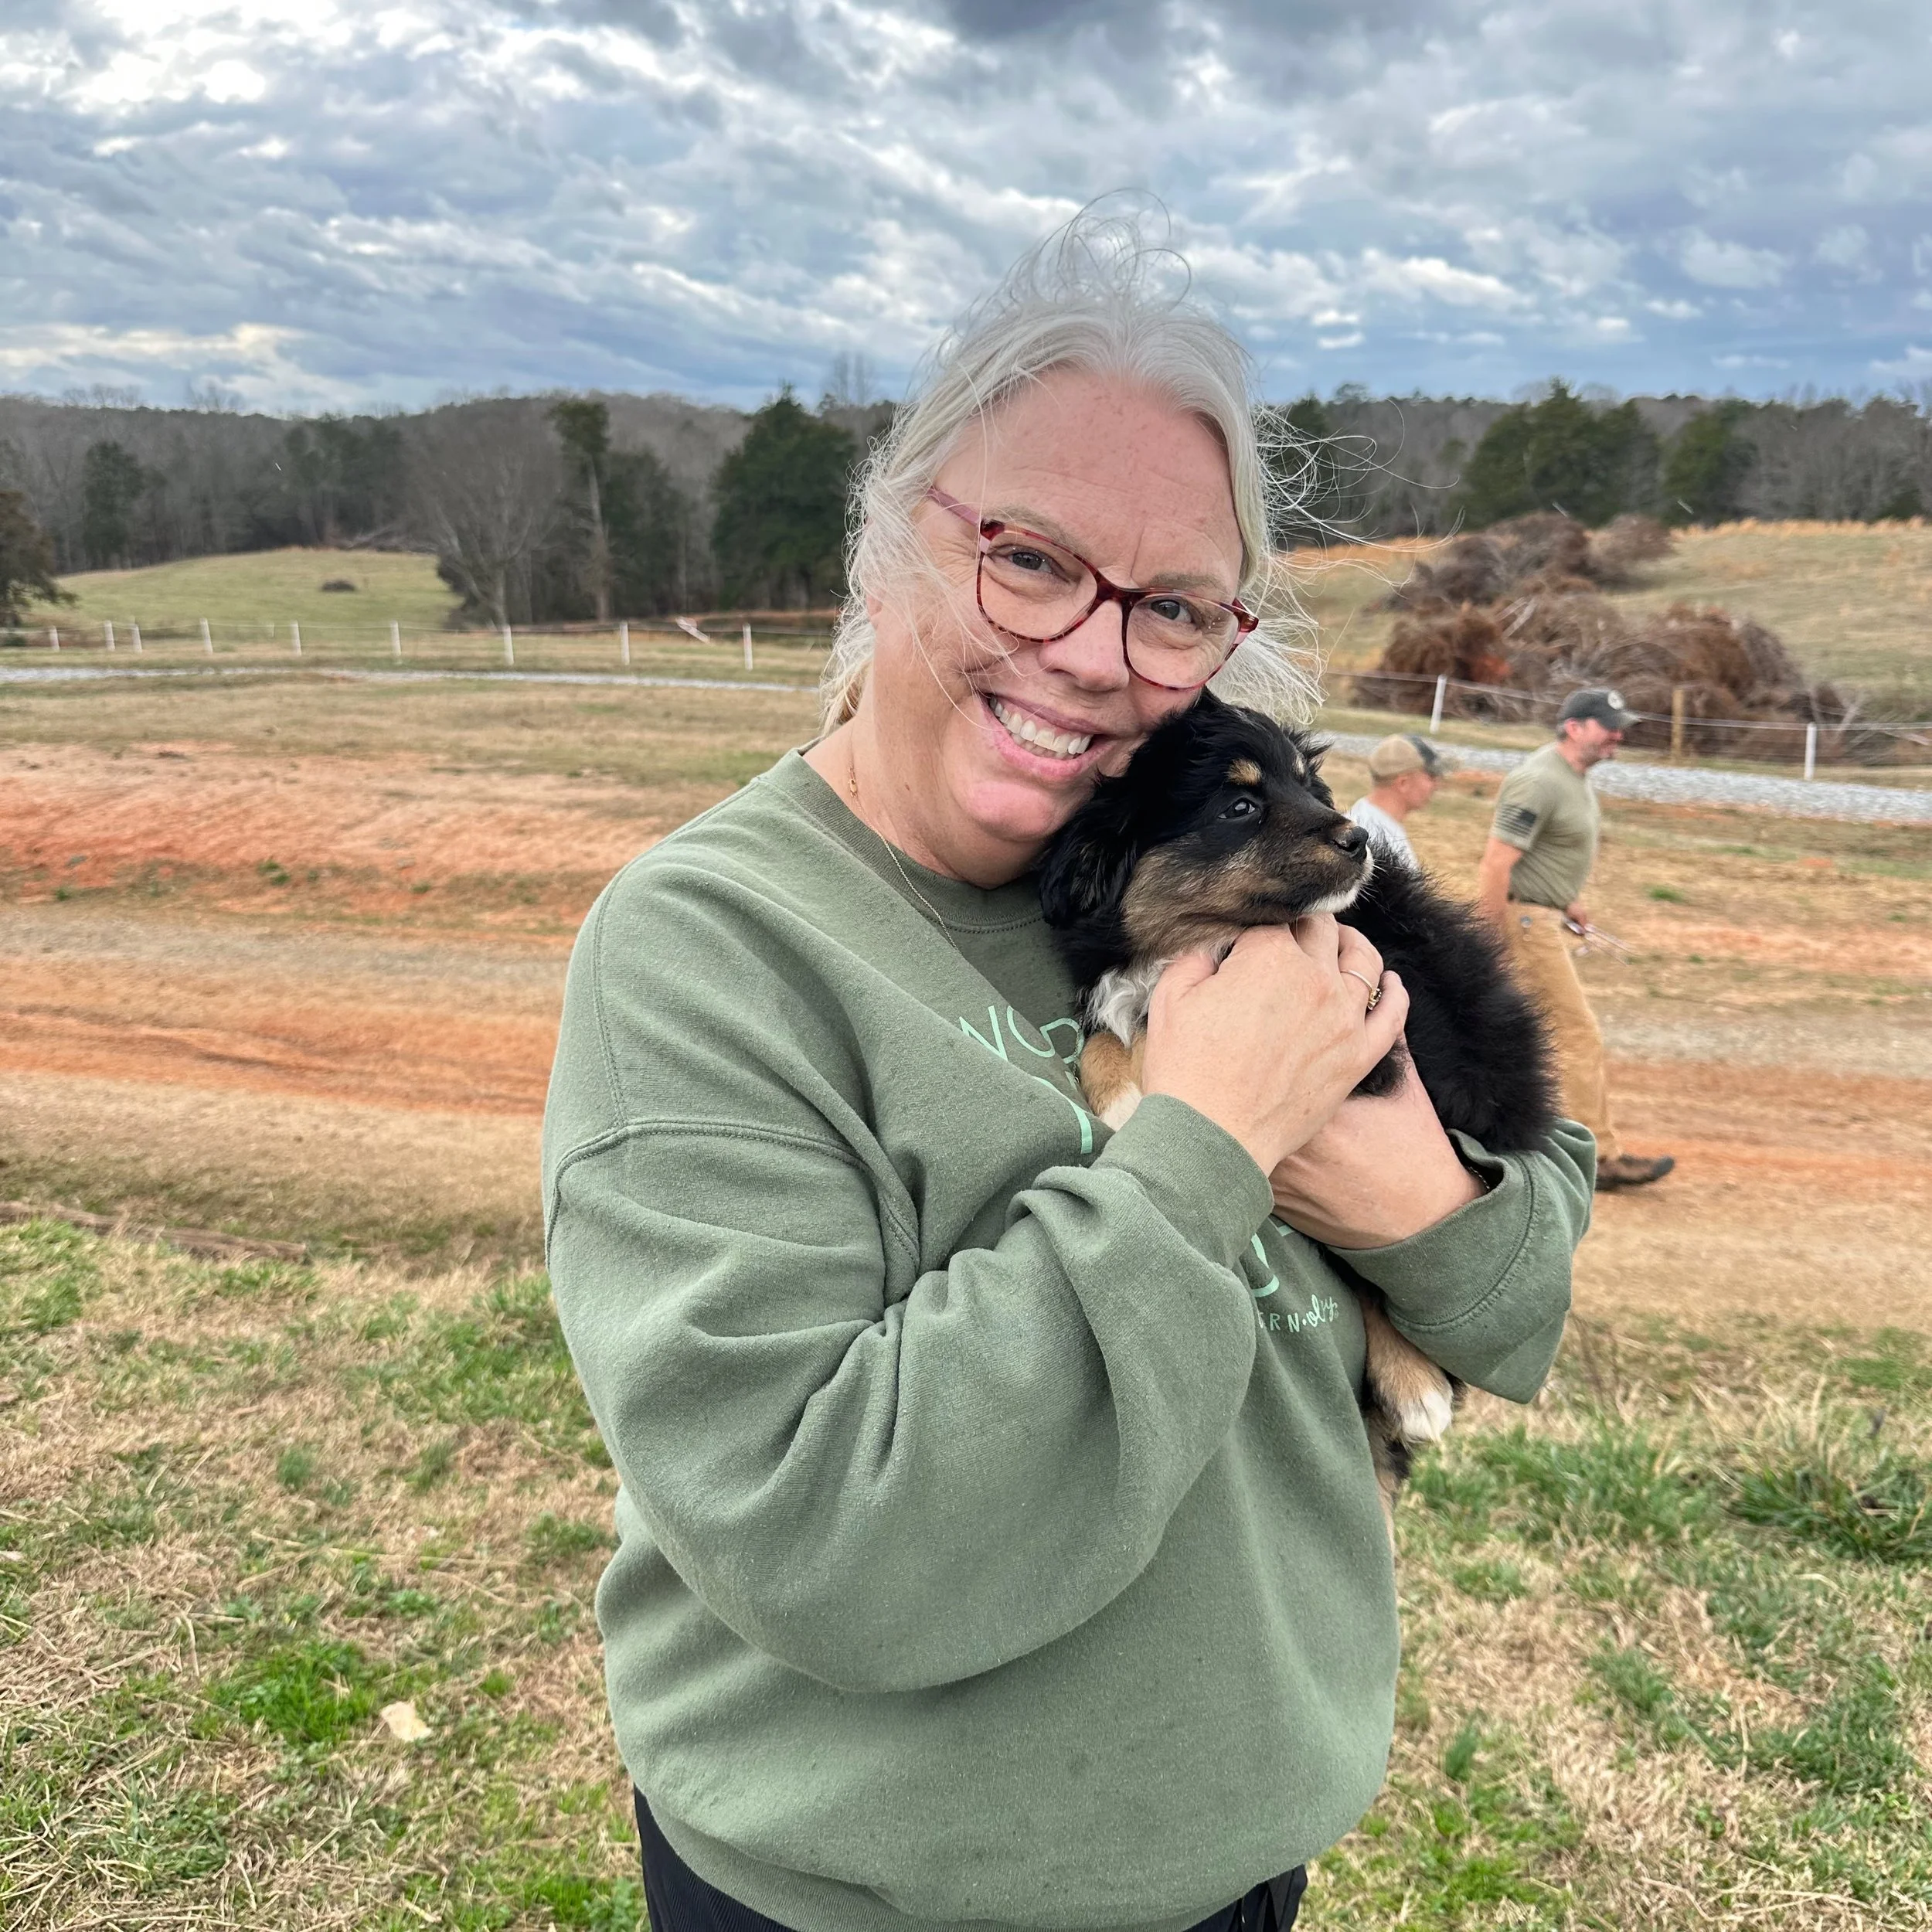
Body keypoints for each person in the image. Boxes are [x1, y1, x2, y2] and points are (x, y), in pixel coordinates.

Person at [543, 213, 1593, 1932]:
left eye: (1170, 605)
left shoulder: (1203, 867)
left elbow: (1524, 1255)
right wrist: (1203, 1138)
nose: (1093, 653)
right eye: (1025, 557)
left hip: (1242, 1858)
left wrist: (1421, 1209)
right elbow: (825, 1540)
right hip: (867, 1895)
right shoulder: (708, 946)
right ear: (887, 546)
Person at [1475, 687, 1675, 1192]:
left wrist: (1566, 900)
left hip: (1541, 917)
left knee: (1528, 1034)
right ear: (1574, 728)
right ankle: (1598, 1158)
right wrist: (1490, 937)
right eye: (1609, 726)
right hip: (1523, 926)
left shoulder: (1572, 779)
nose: (1618, 735)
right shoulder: (1539, 780)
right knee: (1577, 1033)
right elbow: (1497, 863)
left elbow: (1546, 853)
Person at [1345, 733, 1455, 869]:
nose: (1436, 786)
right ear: (1403, 783)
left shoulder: (1362, 815)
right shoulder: (1384, 846)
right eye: (1431, 777)